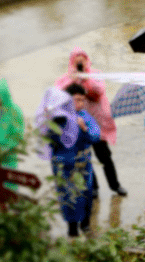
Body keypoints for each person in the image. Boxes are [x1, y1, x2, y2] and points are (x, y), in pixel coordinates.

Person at [55, 47, 127, 197]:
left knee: (105, 157)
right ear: (72, 61)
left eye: (82, 59)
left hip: (98, 124)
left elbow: (99, 91)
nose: (80, 62)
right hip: (78, 124)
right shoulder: (67, 78)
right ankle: (93, 187)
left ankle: (115, 185)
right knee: (84, 157)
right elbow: (58, 94)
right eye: (77, 59)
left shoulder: (95, 74)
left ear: (87, 60)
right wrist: (73, 80)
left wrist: (86, 79)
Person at [38, 85, 99, 238]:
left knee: (86, 193)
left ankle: (85, 225)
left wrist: (84, 128)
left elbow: (95, 135)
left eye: (82, 100)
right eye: (76, 99)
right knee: (67, 195)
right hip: (64, 165)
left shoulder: (84, 116)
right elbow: (48, 140)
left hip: (82, 163)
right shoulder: (59, 117)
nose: (80, 103)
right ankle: (72, 229)